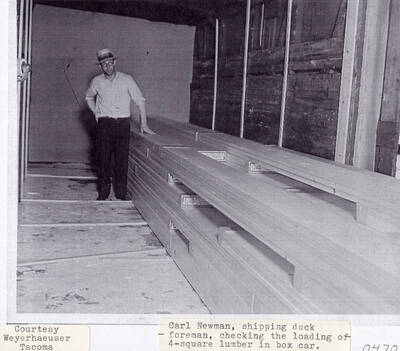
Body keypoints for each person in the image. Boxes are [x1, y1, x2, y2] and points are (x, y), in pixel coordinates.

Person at [85, 48, 155, 200]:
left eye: (110, 63)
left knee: (122, 161)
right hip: (104, 125)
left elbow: (140, 100)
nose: (107, 67)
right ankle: (103, 192)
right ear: (100, 66)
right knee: (104, 160)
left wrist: (144, 124)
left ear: (115, 62)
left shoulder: (127, 79)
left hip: (123, 124)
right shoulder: (96, 81)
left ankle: (121, 193)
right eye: (104, 64)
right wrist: (96, 112)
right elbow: (89, 97)